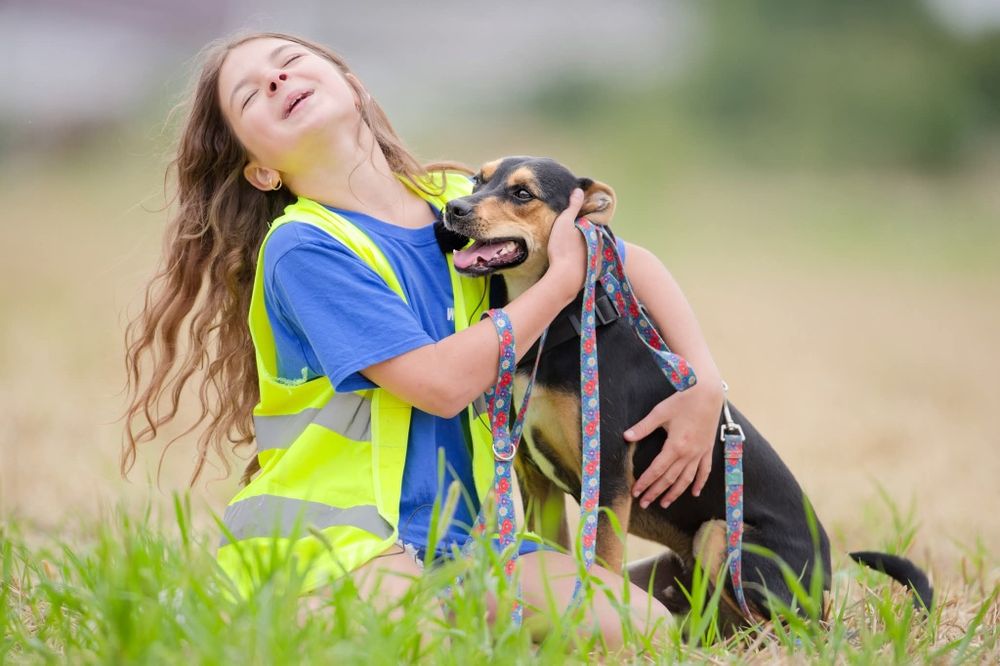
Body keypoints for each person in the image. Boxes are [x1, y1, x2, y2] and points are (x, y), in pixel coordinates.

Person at [122, 31, 725, 645]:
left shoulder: (459, 203)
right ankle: (263, 603)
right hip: (338, 546)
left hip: (470, 547)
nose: (276, 80)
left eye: (290, 62)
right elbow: (439, 384)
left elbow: (627, 259)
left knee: (642, 630)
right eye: (250, 95)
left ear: (352, 87)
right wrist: (562, 280)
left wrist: (703, 379)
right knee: (428, 641)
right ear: (260, 168)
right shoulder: (305, 247)